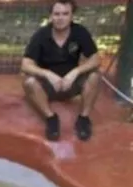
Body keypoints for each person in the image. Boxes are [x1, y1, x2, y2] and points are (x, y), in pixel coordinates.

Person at [21, 0, 101, 141]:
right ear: (51, 16)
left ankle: (83, 118)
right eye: (56, 14)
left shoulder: (80, 32)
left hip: (71, 83)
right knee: (29, 81)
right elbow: (25, 64)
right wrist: (47, 74)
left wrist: (75, 72)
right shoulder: (41, 35)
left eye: (65, 14)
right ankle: (51, 118)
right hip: (49, 86)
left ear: (71, 16)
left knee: (94, 76)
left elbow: (95, 59)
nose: (60, 18)